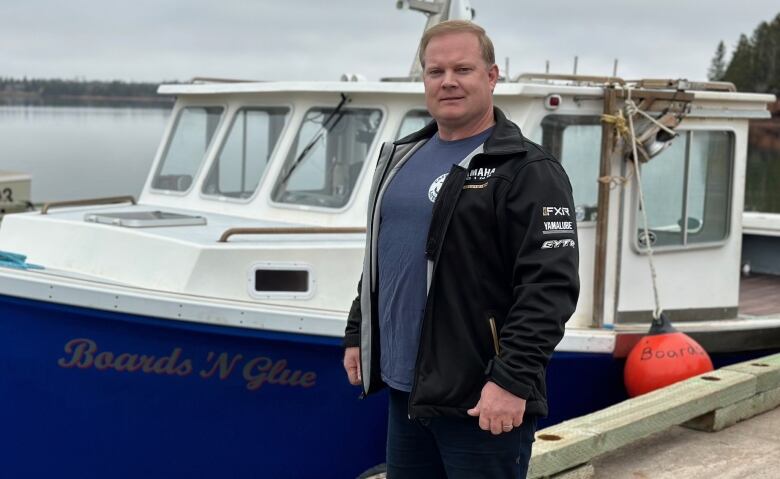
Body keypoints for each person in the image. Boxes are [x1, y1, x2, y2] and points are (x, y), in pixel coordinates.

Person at [343, 20, 579, 479]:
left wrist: (511, 380)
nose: (448, 81)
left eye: (462, 69)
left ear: (491, 76)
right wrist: (359, 330)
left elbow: (550, 287)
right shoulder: (402, 156)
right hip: (407, 391)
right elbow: (386, 256)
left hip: (482, 396)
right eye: (436, 71)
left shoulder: (527, 169)